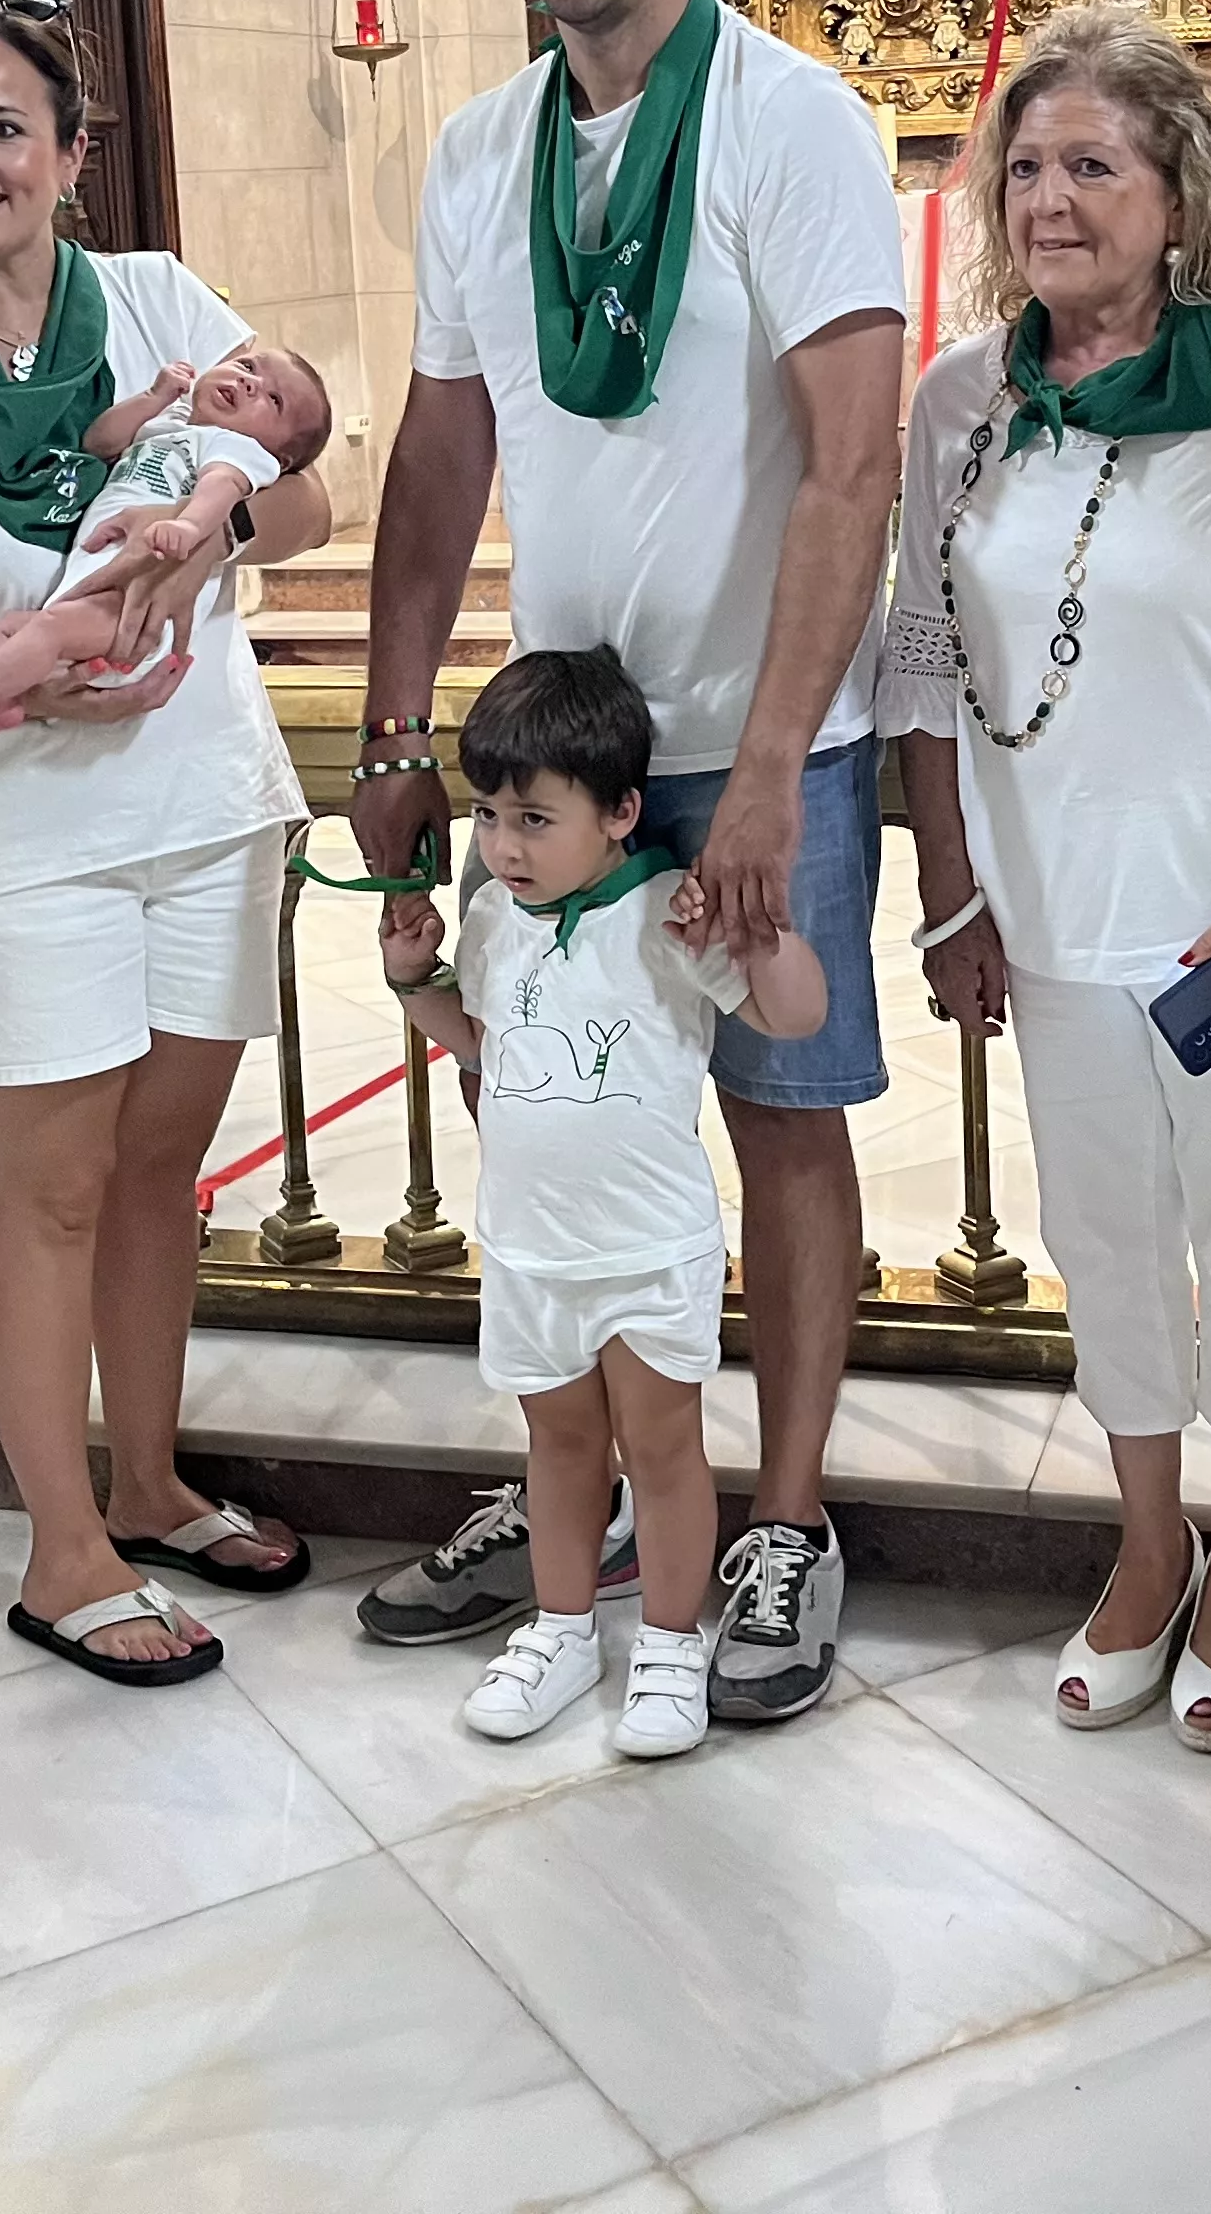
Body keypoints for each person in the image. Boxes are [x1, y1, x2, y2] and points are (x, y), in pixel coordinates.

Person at [350, 0, 906, 1725]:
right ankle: (573, 1488)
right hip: (559, 752)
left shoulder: (793, 122)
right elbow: (440, 449)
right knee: (549, 1098)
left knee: (780, 1116)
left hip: (766, 733)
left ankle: (781, 1517)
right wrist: (397, 725)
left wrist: (760, 769)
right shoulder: (476, 152)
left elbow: (855, 459)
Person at [887, 6, 1211, 1753]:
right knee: (1102, 1241)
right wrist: (952, 890)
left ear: (1177, 194)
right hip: (1047, 917)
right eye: (1024, 168)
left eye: (1094, 166)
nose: (1051, 199)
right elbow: (920, 661)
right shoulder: (963, 400)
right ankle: (1145, 1539)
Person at [0, 0, 334, 1686]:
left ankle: (149, 1480)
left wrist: (208, 521)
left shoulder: (160, 304)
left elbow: (304, 491)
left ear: (71, 152)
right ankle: (62, 1544)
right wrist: (16, 682)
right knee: (54, 1182)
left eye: (2, 127)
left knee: (161, 1163)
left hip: (200, 805)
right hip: (15, 827)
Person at [379, 648, 829, 1762]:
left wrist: (756, 933)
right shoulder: (495, 919)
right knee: (559, 1448)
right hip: (531, 1250)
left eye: (535, 820)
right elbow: (482, 1043)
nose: (504, 847)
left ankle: (670, 1645)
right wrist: (415, 982)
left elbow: (795, 1018)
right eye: (491, 817)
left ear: (622, 812)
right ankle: (563, 1629)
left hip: (646, 1251)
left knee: (664, 1450)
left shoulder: (671, 915)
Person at [0, 343, 333, 734]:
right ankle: (1, 705)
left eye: (274, 399)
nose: (250, 383)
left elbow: (221, 488)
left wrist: (190, 527)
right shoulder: (172, 423)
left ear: (280, 457)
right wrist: (153, 398)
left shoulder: (238, 449)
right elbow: (98, 442)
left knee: (47, 630)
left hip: (139, 608)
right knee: (8, 630)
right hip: (101, 578)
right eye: (249, 366)